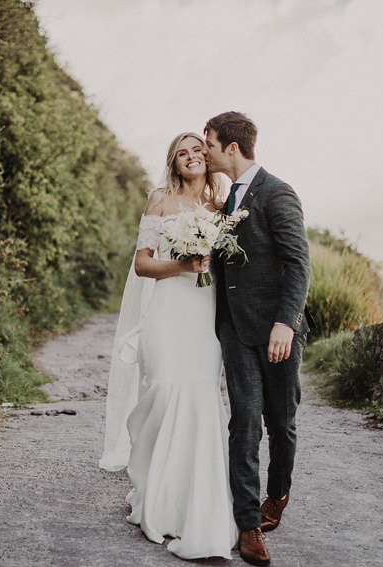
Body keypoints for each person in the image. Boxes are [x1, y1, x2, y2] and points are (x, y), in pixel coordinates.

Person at [100, 132, 238, 560]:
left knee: (198, 397)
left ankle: (191, 504)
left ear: (208, 158)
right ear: (174, 163)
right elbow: (142, 263)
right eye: (183, 153)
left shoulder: (222, 206)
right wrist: (182, 264)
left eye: (199, 150)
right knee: (162, 391)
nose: (193, 157)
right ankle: (152, 491)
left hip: (203, 316)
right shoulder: (160, 199)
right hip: (166, 313)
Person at [205, 112, 312, 566]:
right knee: (244, 423)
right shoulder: (223, 200)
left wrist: (285, 323)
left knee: (280, 423)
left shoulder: (277, 192)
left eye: (208, 142)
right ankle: (247, 524)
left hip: (276, 330)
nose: (204, 150)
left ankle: (279, 494)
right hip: (235, 329)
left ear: (232, 147)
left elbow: (299, 264)